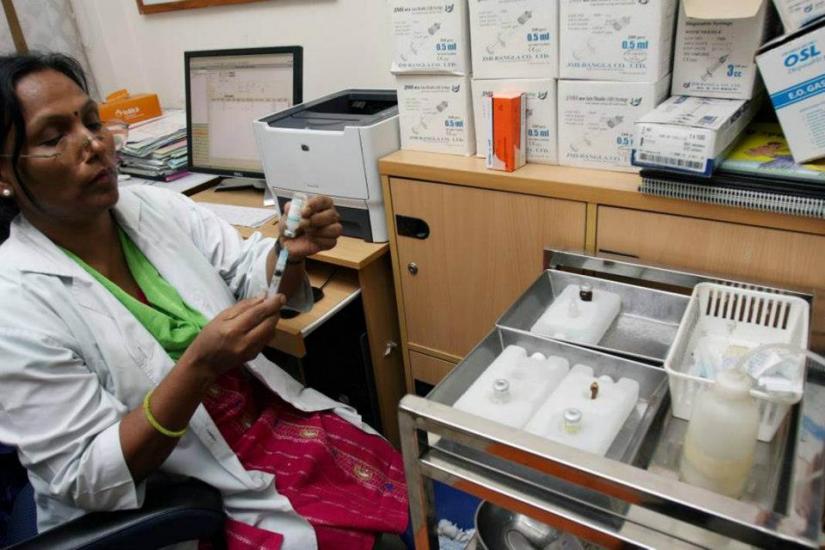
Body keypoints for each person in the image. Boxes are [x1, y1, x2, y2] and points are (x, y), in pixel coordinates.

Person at [0, 52, 408, 550]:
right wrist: (197, 368)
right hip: (175, 487)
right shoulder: (14, 304)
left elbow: (243, 269)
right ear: (3, 175)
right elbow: (89, 475)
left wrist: (288, 253)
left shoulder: (149, 205)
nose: (93, 144)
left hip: (253, 417)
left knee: (389, 464)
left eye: (91, 121)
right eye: (53, 137)